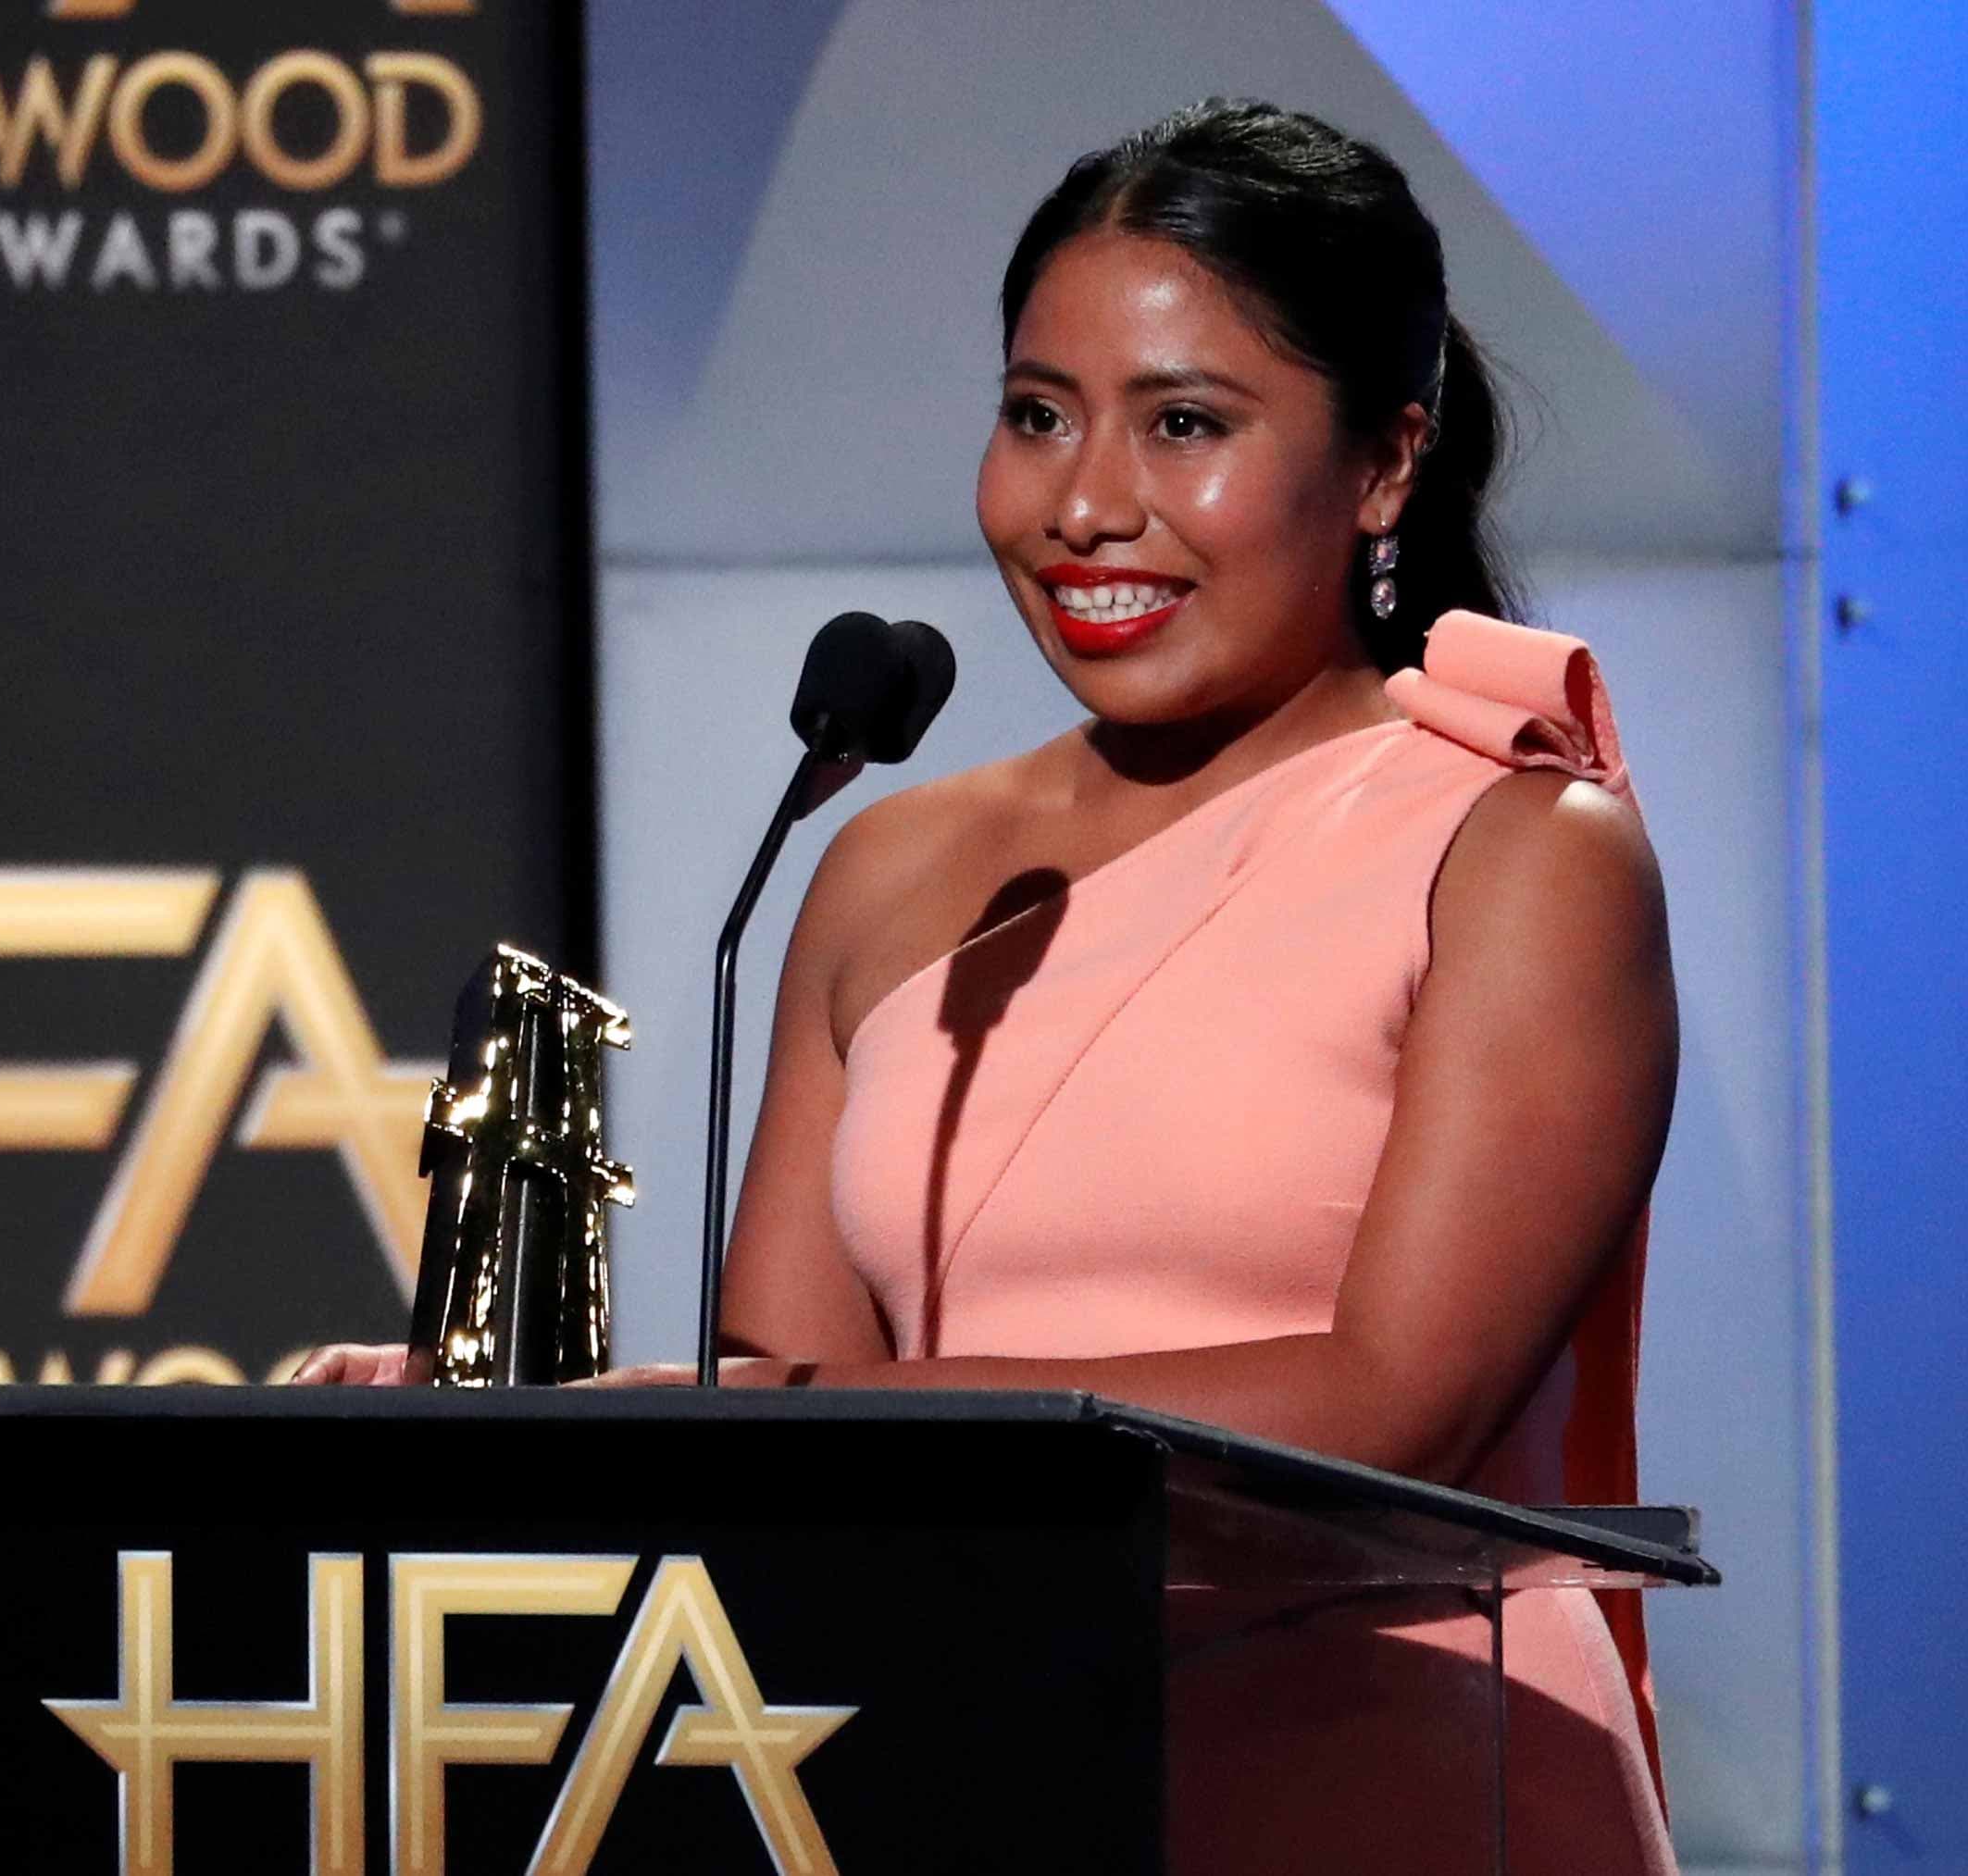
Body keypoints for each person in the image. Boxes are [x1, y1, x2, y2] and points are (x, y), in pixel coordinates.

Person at [300, 99, 1681, 1873]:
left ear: (1388, 461)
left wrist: (767, 1417)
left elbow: (1391, 1409)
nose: (1087, 504)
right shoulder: (888, 865)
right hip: (970, 1768)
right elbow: (795, 1411)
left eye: (1186, 424)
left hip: (1398, 1775)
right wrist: (532, 1436)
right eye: (1039, 416)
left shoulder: (1518, 844)